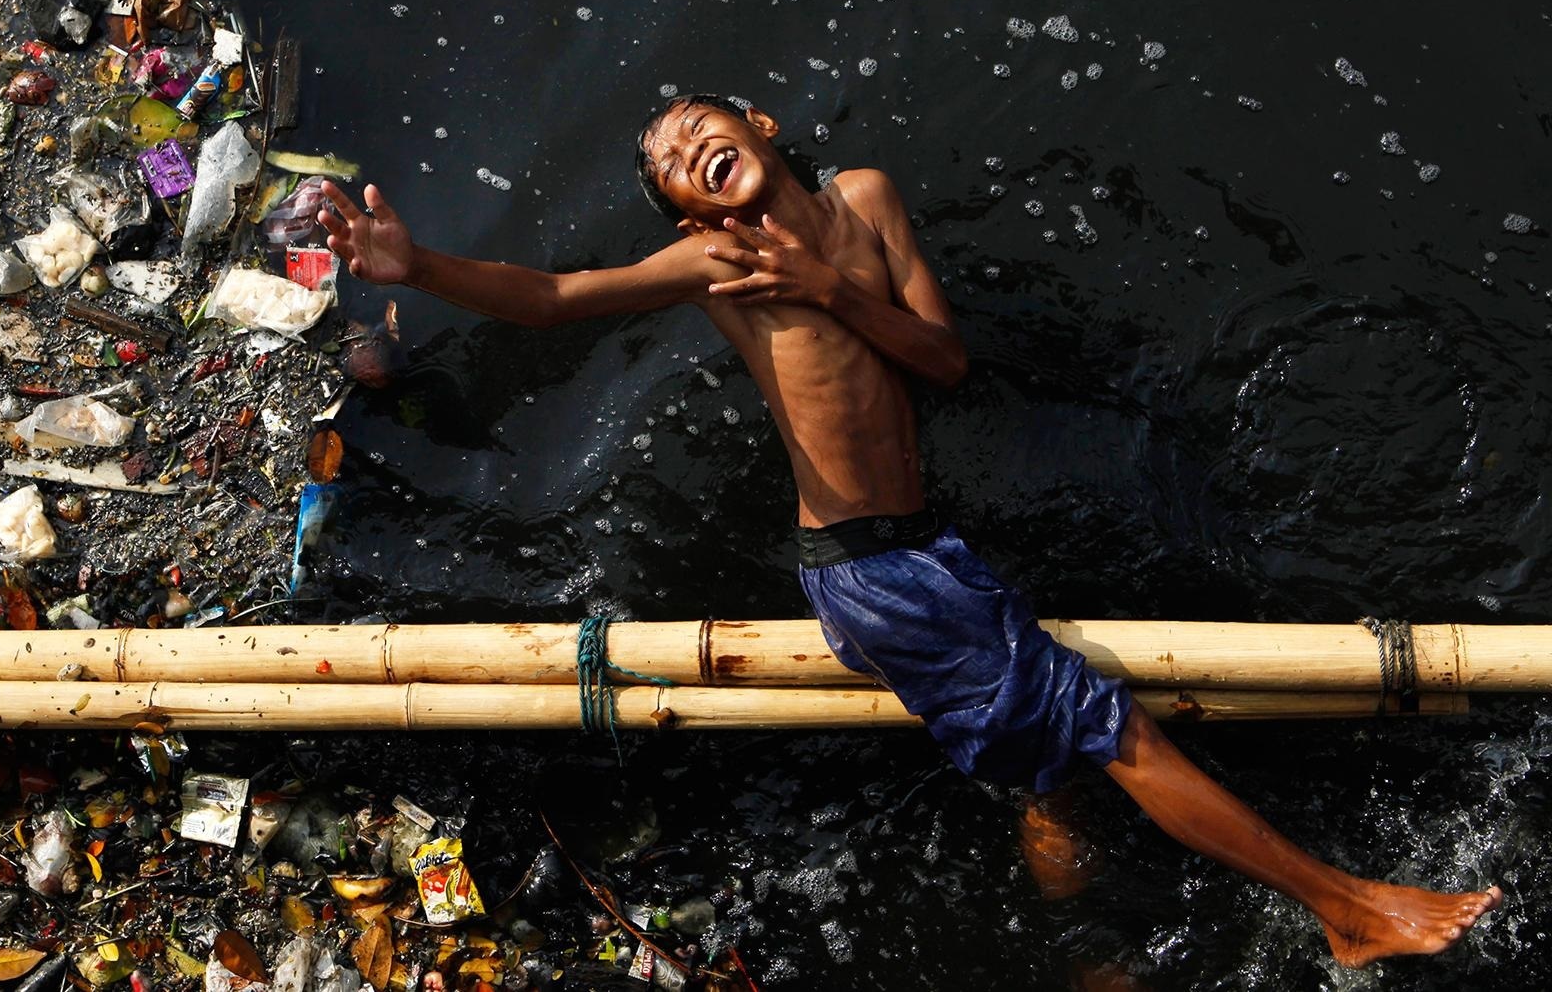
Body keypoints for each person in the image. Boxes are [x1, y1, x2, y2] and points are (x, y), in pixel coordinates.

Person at [317, 93, 1502, 969]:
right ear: (681, 209)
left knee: (1050, 769)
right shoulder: (715, 262)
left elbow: (942, 358)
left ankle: (1080, 941)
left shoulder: (866, 202)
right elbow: (555, 297)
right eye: (670, 166)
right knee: (1114, 730)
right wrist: (417, 265)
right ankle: (1338, 908)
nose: (689, 153)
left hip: (924, 543)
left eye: (695, 127)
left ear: (763, 123)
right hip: (869, 573)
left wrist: (830, 290)